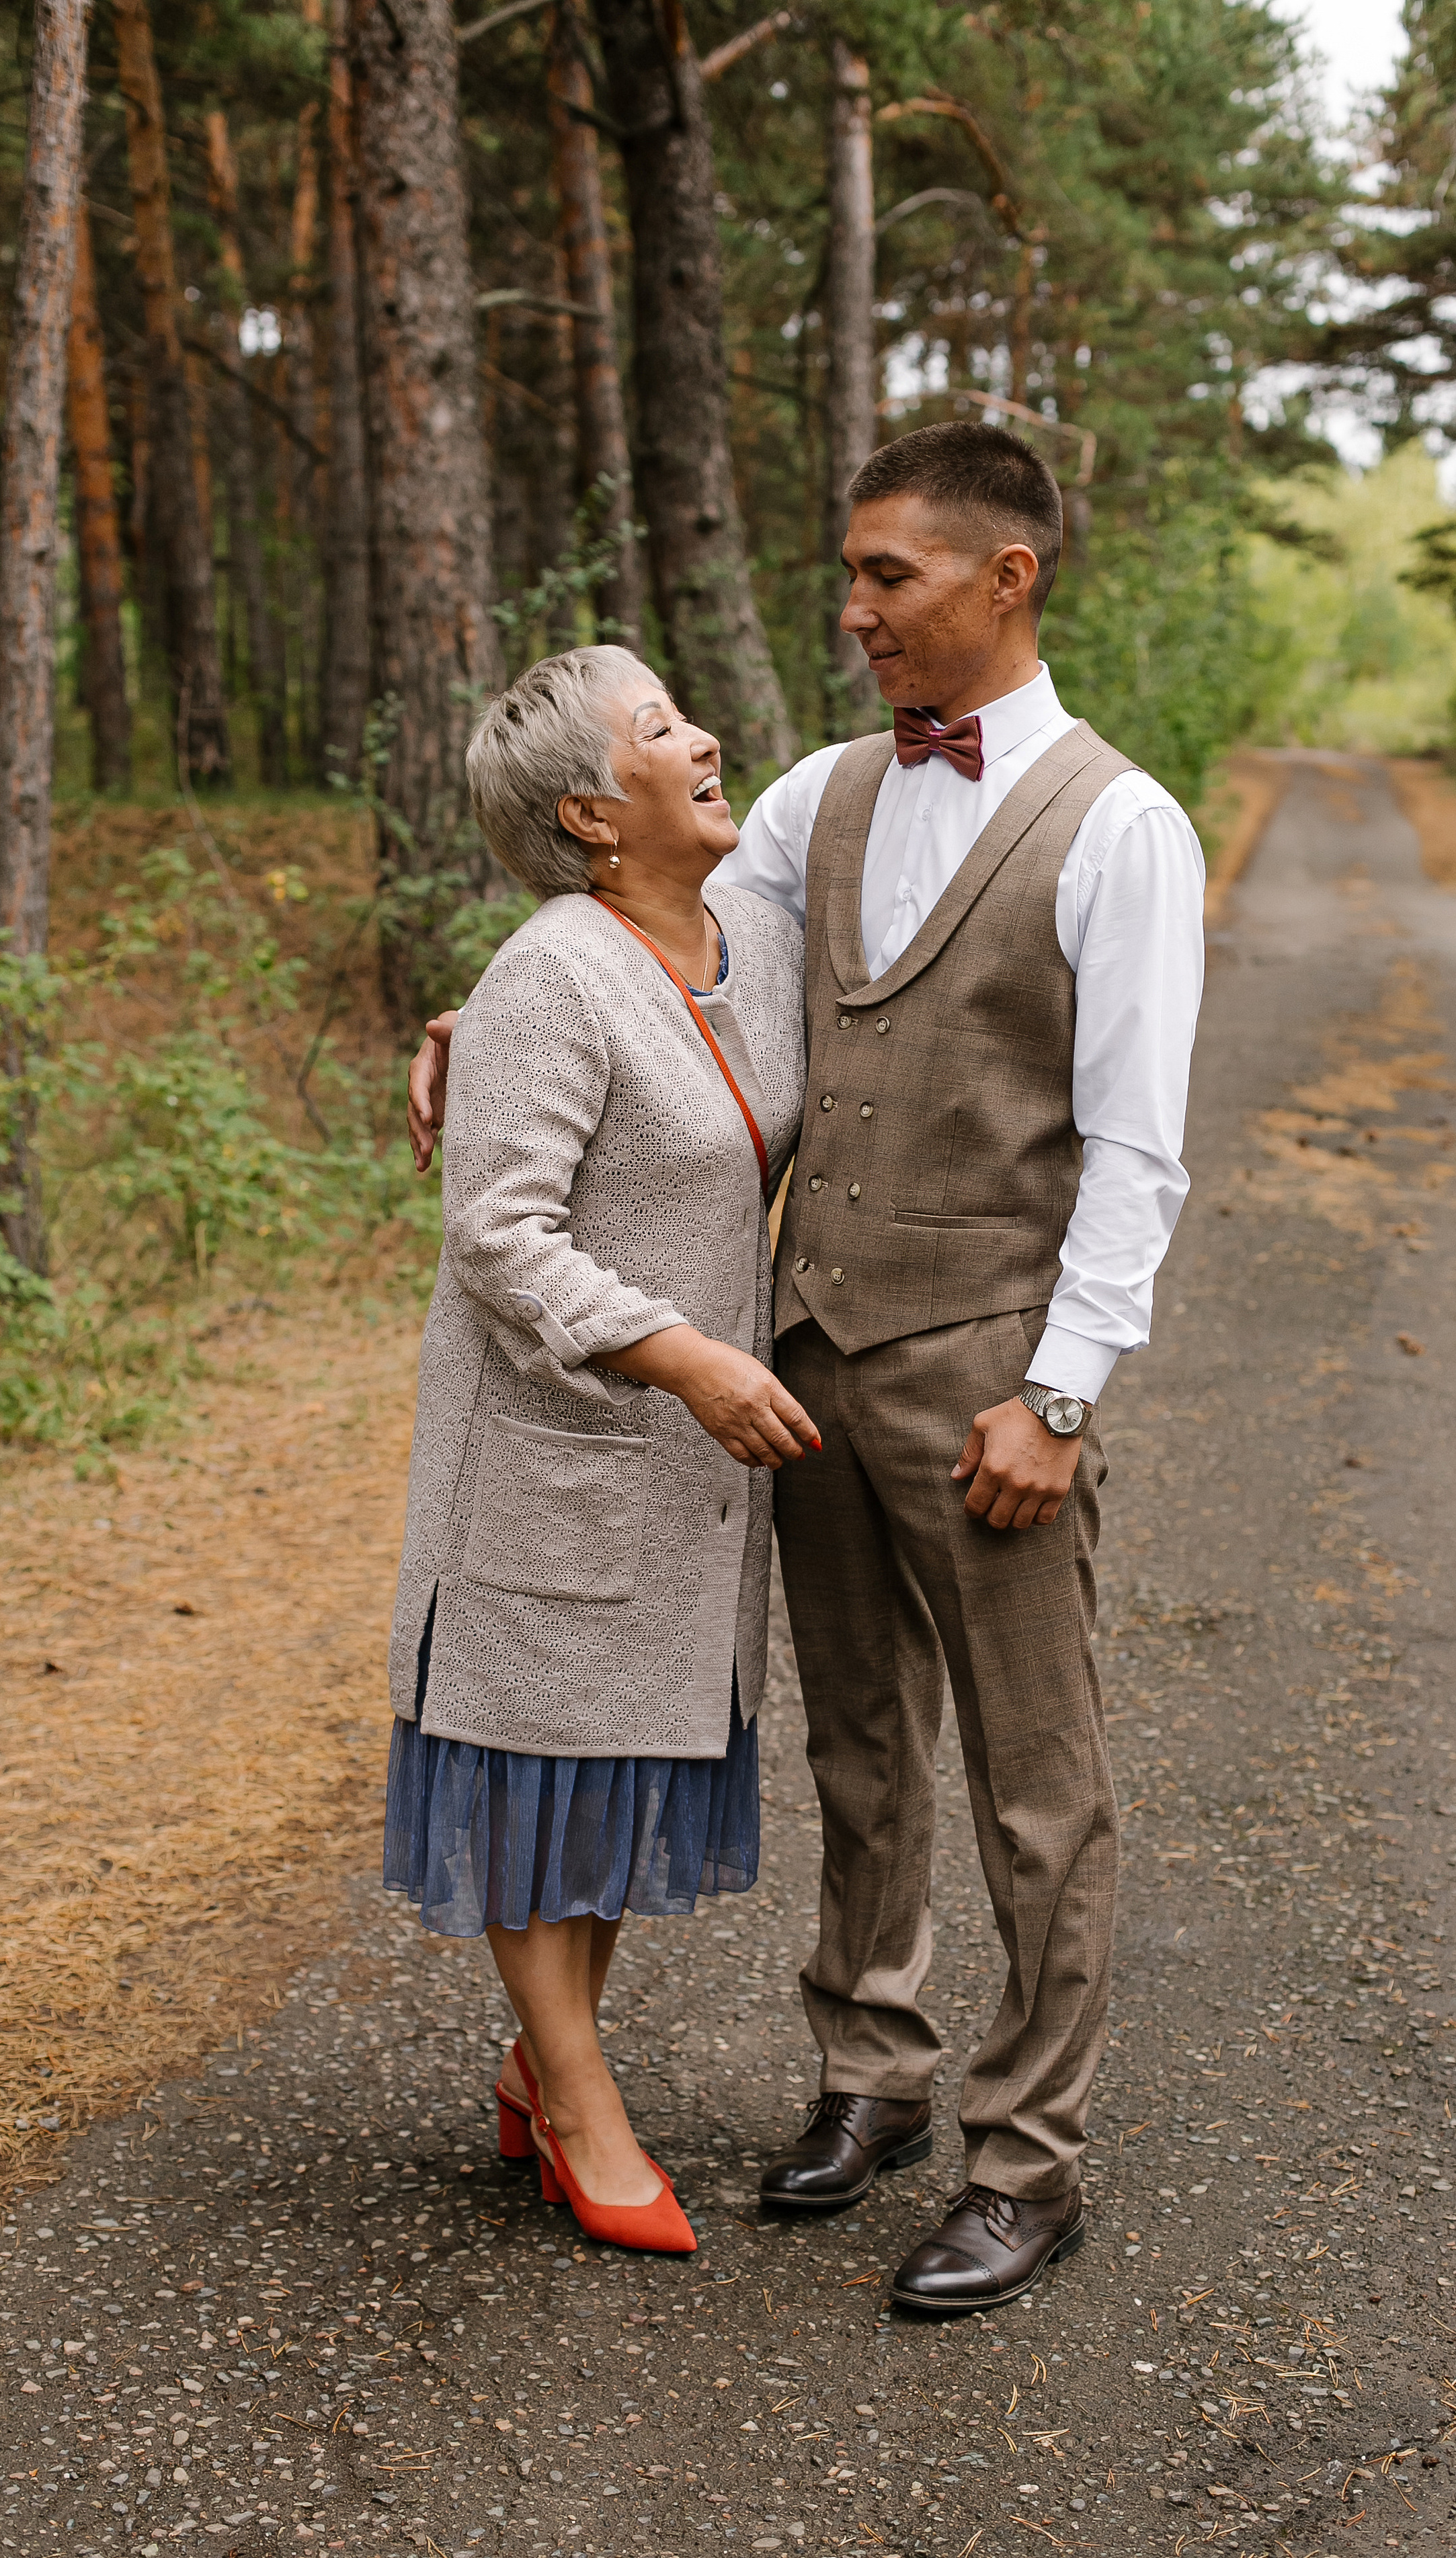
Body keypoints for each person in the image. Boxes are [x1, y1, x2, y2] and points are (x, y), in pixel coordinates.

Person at [410, 420, 1205, 2314]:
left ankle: (1032, 2157)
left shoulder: (1122, 825)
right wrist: (478, 1008)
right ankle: (874, 2075)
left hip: (992, 1380)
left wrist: (1064, 1389)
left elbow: (1142, 1143)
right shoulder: (821, 799)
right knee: (858, 1744)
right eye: (849, 575)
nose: (852, 614)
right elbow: (646, 949)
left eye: (888, 578)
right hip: (810, 1360)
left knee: (1038, 1782)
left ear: (1008, 578)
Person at [386, 643, 813, 2256]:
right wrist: (687, 1355)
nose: (700, 736)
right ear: (589, 809)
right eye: (658, 729)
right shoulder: (549, 973)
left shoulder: (753, 936)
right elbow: (496, 1235)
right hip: (561, 1438)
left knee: (618, 1775)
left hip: (684, 1467)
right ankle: (577, 2104)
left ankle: (533, 2064)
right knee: (529, 1775)